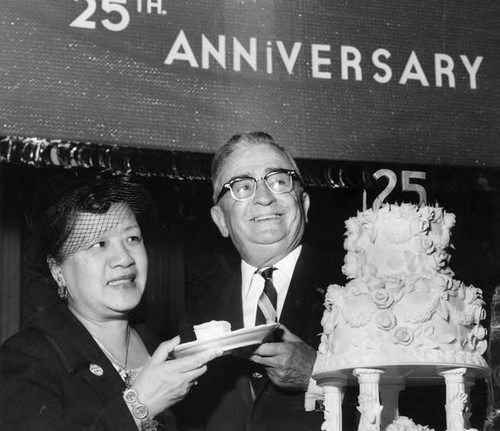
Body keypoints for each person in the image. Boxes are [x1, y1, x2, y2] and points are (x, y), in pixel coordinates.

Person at [0, 171, 221, 430]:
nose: (124, 258)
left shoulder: (166, 349)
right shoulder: (28, 360)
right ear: (57, 270)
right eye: (99, 243)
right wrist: (139, 407)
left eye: (132, 239)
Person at [175, 132, 356, 430]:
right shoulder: (197, 308)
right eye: (242, 186)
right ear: (220, 219)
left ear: (305, 204)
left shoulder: (358, 285)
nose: (264, 197)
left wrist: (321, 376)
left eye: (278, 180)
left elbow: (417, 402)